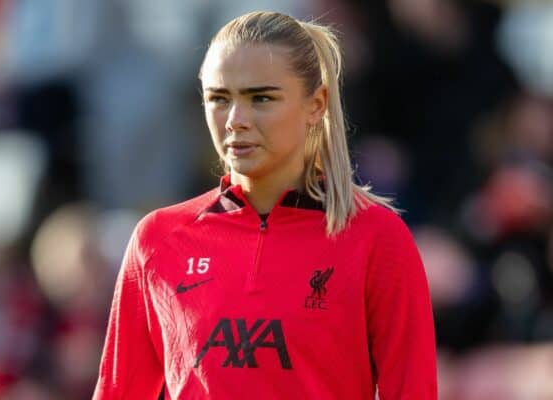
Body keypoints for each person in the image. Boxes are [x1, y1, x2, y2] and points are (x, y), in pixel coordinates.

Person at [93, 11, 437, 400]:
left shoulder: (377, 239)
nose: (236, 120)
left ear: (316, 104)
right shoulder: (157, 239)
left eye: (261, 98)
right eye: (219, 98)